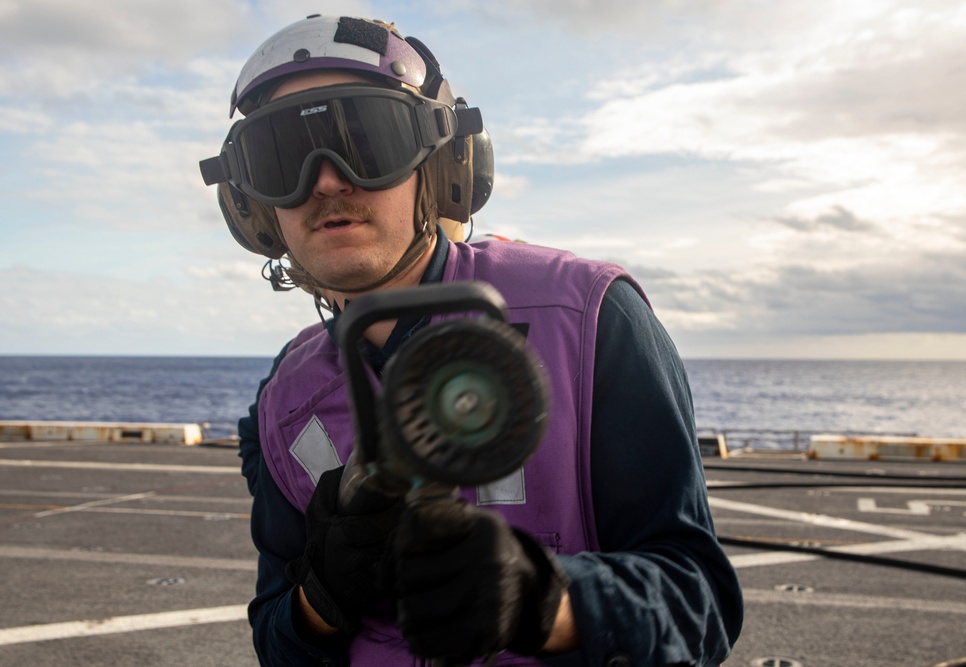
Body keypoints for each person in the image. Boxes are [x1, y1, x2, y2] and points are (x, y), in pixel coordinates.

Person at [201, 14, 743, 667]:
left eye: (366, 139)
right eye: (280, 156)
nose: (325, 181)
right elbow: (277, 642)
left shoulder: (590, 317)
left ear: (443, 164)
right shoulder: (283, 404)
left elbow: (701, 603)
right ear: (251, 207)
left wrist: (550, 604)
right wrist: (321, 596)